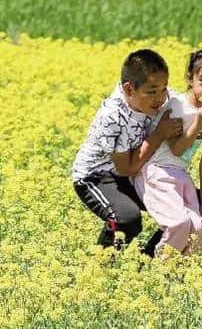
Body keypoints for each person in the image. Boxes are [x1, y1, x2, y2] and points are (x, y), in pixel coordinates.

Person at [72, 49, 182, 253]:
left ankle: (148, 263)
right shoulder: (112, 117)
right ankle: (101, 268)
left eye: (164, 88)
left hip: (137, 167)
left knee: (191, 203)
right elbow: (126, 168)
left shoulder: (159, 96)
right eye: (152, 92)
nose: (160, 98)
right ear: (129, 89)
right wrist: (159, 134)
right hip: (97, 176)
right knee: (127, 219)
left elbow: (189, 103)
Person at [134, 46, 202, 256]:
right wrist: (197, 124)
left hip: (180, 176)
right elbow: (178, 150)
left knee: (196, 230)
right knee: (178, 224)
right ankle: (157, 268)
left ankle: (182, 279)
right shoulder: (176, 107)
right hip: (156, 173)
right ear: (190, 78)